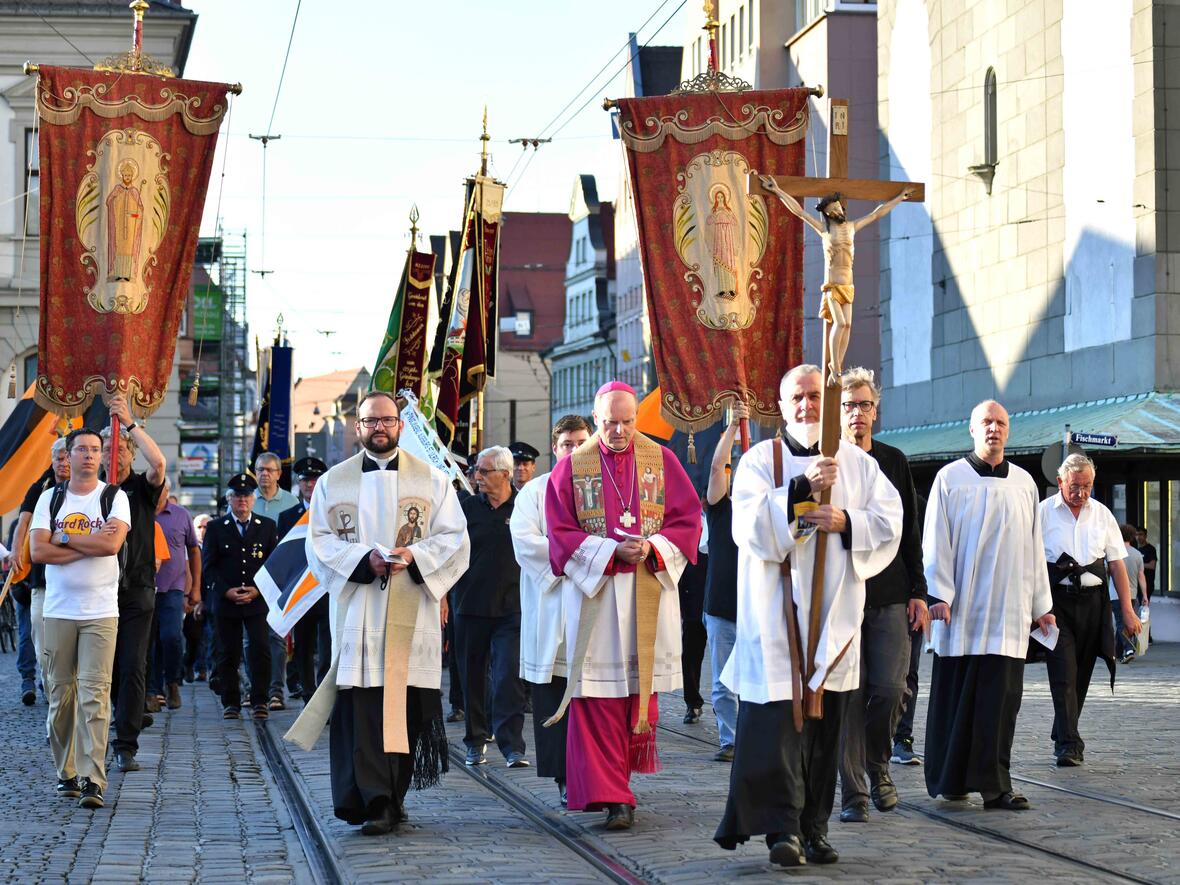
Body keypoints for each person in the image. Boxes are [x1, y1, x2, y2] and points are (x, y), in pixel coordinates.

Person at [715, 364, 902, 868]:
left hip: (833, 614)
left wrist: (847, 521)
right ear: (781, 405)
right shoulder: (760, 461)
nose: (806, 405)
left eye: (815, 395)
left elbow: (890, 522)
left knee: (825, 731)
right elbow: (748, 529)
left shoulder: (858, 464)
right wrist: (801, 488)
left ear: (830, 400)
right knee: (780, 727)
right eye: (796, 397)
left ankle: (815, 827)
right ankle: (784, 831)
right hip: (775, 616)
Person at [285, 391, 470, 836]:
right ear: (358, 427)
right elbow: (319, 543)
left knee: (407, 709)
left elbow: (455, 537)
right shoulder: (333, 482)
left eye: (387, 420)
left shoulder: (432, 480)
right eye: (371, 421)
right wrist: (364, 560)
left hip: (413, 611)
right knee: (365, 708)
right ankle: (375, 800)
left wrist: (414, 555)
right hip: (359, 612)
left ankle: (395, 794)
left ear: (400, 425)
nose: (380, 427)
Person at [545, 381, 701, 830]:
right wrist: (611, 552)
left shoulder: (661, 460)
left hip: (646, 590)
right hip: (597, 595)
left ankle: (620, 784)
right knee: (596, 698)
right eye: (610, 422)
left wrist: (652, 547)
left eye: (627, 422)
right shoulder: (571, 468)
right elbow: (560, 534)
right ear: (596, 418)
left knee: (637, 698)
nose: (618, 431)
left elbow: (688, 521)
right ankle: (613, 796)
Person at [923, 400, 1056, 810]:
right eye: (986, 422)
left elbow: (1035, 548)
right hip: (962, 611)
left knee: (1000, 704)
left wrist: (1041, 605)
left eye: (1000, 422)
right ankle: (952, 779)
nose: (993, 428)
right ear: (972, 429)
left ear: (1008, 431)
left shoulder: (1024, 483)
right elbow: (935, 540)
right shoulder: (949, 478)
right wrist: (939, 594)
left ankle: (996, 785)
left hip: (1008, 611)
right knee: (958, 698)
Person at [836, 368, 928, 823]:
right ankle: (854, 792)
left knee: (891, 688)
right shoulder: (828, 460)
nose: (857, 413)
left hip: (891, 592)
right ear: (839, 413)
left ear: (876, 411)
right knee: (848, 696)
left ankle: (878, 764)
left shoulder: (893, 460)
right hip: (842, 593)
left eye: (864, 405)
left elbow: (910, 529)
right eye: (849, 405)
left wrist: (919, 590)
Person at [30, 427, 131, 810]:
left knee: (94, 695)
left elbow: (111, 544)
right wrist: (88, 545)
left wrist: (64, 539)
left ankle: (93, 779)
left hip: (100, 612)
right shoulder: (50, 498)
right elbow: (38, 552)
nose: (89, 455)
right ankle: (67, 772)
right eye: (81, 449)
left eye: (95, 449)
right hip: (58, 611)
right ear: (67, 456)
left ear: (102, 456)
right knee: (61, 697)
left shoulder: (114, 497)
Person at [510, 414, 592, 805]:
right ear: (554, 448)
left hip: (595, 604)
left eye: (581, 443)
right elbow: (525, 542)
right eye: (567, 444)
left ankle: (595, 775)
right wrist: (584, 557)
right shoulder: (534, 492)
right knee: (555, 692)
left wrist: (592, 557)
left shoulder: (603, 488)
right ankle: (563, 776)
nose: (574, 450)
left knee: (594, 697)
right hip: (552, 603)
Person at [1039, 454, 1141, 766]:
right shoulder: (1042, 513)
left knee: (1081, 672)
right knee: (1063, 671)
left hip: (1093, 603)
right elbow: (1029, 562)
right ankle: (1069, 744)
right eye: (1075, 486)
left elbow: (1117, 565)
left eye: (1087, 486)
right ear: (1060, 482)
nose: (1081, 493)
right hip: (1055, 604)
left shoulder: (1102, 514)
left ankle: (1063, 729)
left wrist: (1127, 610)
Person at [451, 445, 529, 768]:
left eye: (484, 471)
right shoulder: (466, 508)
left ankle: (512, 745)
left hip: (512, 608)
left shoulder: (524, 506)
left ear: (505, 474)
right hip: (470, 606)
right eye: (476, 471)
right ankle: (476, 740)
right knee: (472, 678)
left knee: (508, 675)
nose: (477, 477)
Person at [102, 395, 167, 774]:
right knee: (107, 668)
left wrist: (129, 423)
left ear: (130, 452)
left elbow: (159, 463)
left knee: (131, 665)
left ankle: (125, 744)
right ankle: (121, 714)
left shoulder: (142, 488)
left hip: (138, 589)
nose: (113, 455)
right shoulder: (93, 492)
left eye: (120, 448)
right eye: (106, 449)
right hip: (98, 591)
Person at [202, 474, 279, 720]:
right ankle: (231, 702)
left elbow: (272, 565)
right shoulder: (216, 528)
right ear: (229, 499)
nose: (242, 500)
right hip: (227, 601)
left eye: (246, 496)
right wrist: (225, 591)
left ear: (253, 499)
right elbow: (209, 566)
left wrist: (258, 589)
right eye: (237, 496)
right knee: (228, 652)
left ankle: (260, 700)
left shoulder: (267, 527)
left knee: (260, 649)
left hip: (256, 600)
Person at [11, 437, 71, 705]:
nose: (63, 463)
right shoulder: (41, 488)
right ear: (52, 461)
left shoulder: (85, 487)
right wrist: (15, 551)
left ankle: (62, 691)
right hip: (41, 578)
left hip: (72, 576)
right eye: (59, 458)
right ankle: (49, 684)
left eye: (67, 457)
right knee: (39, 637)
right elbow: (23, 521)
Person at [703, 403, 747, 763]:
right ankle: (730, 739)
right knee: (723, 683)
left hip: (757, 609)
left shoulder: (768, 509)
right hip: (721, 608)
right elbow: (717, 467)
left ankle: (754, 737)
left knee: (756, 680)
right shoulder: (721, 508)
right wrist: (733, 428)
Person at [278, 456, 331, 703]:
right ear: (298, 484)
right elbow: (284, 555)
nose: (310, 485)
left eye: (314, 480)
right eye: (305, 480)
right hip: (302, 588)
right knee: (303, 646)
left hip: (328, 588)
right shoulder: (288, 517)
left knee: (328, 645)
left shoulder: (332, 511)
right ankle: (309, 695)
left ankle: (325, 694)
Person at [252, 451, 299, 710]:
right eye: (260, 470)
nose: (264, 474)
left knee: (277, 636)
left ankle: (276, 691)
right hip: (252, 578)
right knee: (251, 638)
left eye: (269, 470)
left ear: (279, 474)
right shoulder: (247, 498)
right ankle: (252, 688)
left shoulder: (291, 502)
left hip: (281, 578)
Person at [149, 480, 200, 710]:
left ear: (168, 491)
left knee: (171, 636)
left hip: (173, 587)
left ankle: (172, 682)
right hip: (144, 587)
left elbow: (194, 551)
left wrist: (195, 587)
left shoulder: (181, 515)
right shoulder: (141, 511)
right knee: (149, 641)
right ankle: (153, 690)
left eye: (161, 489)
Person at [679, 532, 708, 725]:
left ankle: (724, 706)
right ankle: (693, 702)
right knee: (691, 653)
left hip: (721, 596)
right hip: (693, 594)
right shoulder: (693, 524)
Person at [183, 514, 212, 683]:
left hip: (212, 598)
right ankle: (189, 664)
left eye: (207, 527)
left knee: (210, 636)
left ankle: (204, 669)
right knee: (194, 637)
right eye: (199, 527)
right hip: (194, 599)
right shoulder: (190, 550)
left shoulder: (216, 546)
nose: (203, 531)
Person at [1113, 524, 1148, 663]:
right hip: (1132, 594)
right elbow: (1141, 576)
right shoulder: (1137, 554)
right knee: (1123, 621)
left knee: (1120, 622)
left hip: (1115, 594)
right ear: (1132, 537)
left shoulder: (1114, 553)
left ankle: (1128, 649)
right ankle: (1116, 652)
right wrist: (1144, 595)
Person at [1135, 526, 1157, 600]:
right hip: (1137, 583)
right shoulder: (1136, 550)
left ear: (1145, 536)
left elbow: (1152, 565)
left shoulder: (1151, 549)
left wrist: (1139, 565)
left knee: (1144, 605)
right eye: (1136, 535)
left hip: (1147, 583)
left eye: (1140, 534)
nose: (1138, 537)